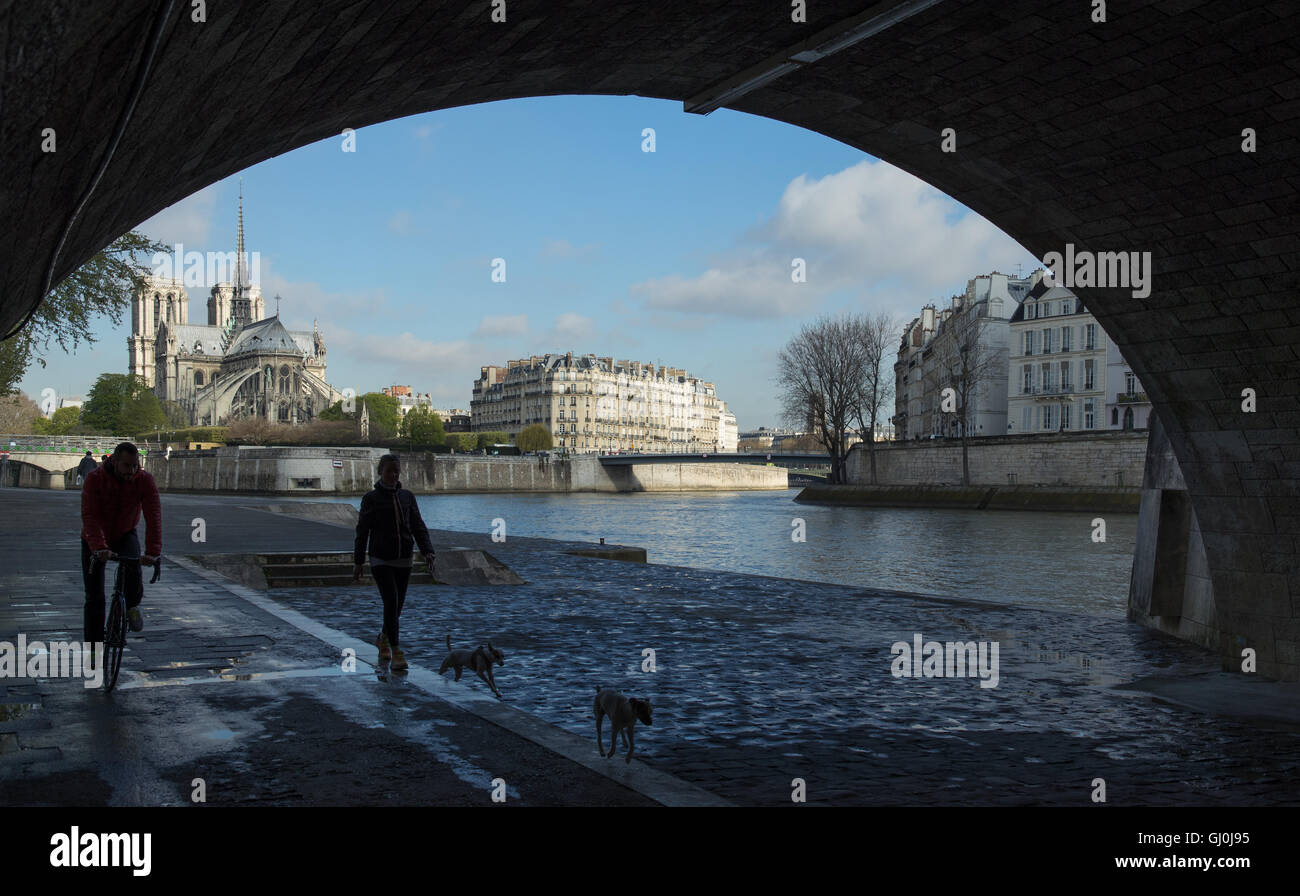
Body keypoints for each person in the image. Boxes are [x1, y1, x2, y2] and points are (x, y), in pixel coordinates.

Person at [353, 454, 436, 672]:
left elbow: (418, 525)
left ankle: (383, 638)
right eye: (389, 471)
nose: (393, 475)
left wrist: (427, 550)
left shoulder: (407, 496)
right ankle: (396, 649)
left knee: (397, 607)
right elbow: (362, 531)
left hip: (404, 557)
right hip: (380, 557)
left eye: (396, 471)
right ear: (380, 472)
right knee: (391, 602)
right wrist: (359, 560)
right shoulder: (371, 498)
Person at [81, 442, 162, 641]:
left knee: (134, 572)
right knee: (94, 597)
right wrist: (99, 547)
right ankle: (94, 647)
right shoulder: (95, 479)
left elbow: (153, 515)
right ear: (115, 461)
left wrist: (152, 551)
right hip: (94, 537)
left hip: (125, 532)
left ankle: (132, 606)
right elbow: (89, 515)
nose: (132, 471)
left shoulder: (144, 480)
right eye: (127, 466)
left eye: (136, 466)